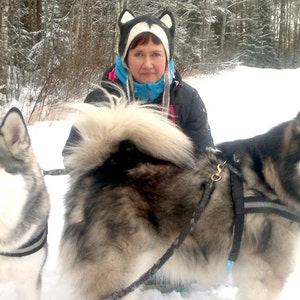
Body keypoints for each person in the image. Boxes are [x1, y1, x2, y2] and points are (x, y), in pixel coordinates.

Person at [63, 9, 214, 158]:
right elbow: (72, 156)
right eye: (138, 54)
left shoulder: (188, 99)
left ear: (167, 57)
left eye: (156, 54)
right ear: (125, 58)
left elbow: (206, 159)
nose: (147, 64)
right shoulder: (101, 100)